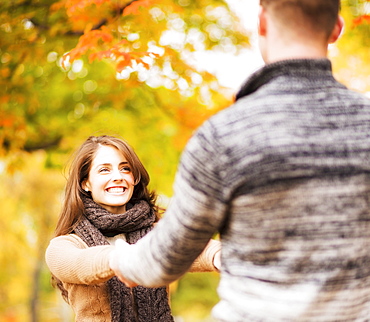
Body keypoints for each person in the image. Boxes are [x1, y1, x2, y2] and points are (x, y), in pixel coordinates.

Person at [110, 0, 370, 321]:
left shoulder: (223, 135)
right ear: (337, 29)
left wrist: (121, 255)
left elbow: (162, 262)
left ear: (261, 22)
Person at [45, 135, 221, 322]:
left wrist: (221, 255)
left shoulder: (156, 233)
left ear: (134, 178)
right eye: (104, 170)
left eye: (125, 169)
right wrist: (120, 258)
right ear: (85, 183)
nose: (118, 177)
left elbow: (192, 246)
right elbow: (81, 263)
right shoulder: (64, 246)